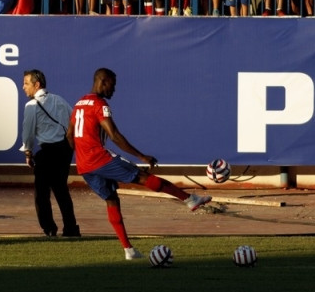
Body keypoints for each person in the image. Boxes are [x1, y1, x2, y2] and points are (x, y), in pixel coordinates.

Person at [71, 68, 211, 260]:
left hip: (84, 165)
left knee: (111, 199)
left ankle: (128, 250)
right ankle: (189, 199)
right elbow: (115, 136)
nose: (114, 90)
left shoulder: (79, 103)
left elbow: (69, 135)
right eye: (113, 85)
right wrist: (141, 156)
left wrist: (79, 155)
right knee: (143, 177)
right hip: (99, 158)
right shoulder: (100, 104)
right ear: (103, 82)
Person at [21, 69, 80, 238]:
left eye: (26, 83)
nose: (23, 87)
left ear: (36, 84)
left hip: (48, 152)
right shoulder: (59, 100)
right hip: (64, 150)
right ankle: (71, 228)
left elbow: (28, 132)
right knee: (61, 191)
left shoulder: (31, 105)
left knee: (41, 193)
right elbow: (73, 120)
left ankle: (49, 228)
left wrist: (28, 152)